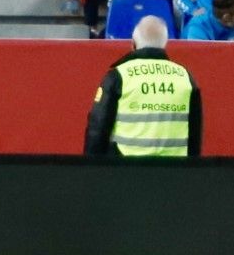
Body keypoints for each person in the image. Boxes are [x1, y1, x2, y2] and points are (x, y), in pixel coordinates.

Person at [84, 14, 201, 154]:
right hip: (174, 171)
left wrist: (90, 168)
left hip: (126, 170)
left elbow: (98, 127)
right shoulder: (185, 77)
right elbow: (195, 134)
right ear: (164, 43)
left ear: (133, 43)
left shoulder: (119, 75)